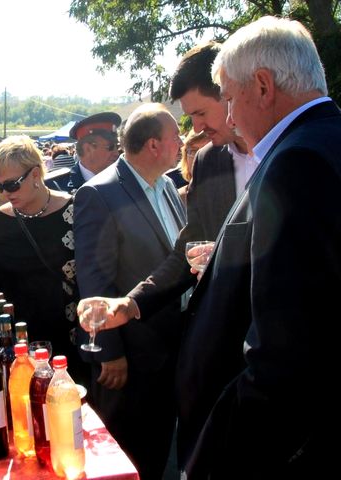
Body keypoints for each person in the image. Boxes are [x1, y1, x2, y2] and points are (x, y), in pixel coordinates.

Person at [96, 17, 341, 478]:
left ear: (264, 86)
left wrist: (215, 458)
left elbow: (287, 356)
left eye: (228, 99)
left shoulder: (298, 160)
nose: (227, 118)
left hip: (307, 440)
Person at [78, 41, 254, 471]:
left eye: (200, 114)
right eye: (186, 122)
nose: (195, 130)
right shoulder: (210, 161)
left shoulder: (295, 152)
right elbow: (182, 253)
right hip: (182, 352)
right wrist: (125, 314)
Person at [73, 103, 186, 479]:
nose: (182, 142)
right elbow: (94, 280)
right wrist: (110, 352)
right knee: (129, 455)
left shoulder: (166, 185)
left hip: (171, 346)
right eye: (175, 137)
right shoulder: (99, 193)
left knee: (158, 450)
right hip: (132, 356)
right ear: (153, 145)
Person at [0, 135, 85, 384]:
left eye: (12, 185)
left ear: (35, 174)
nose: (5, 193)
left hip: (69, 342)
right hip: (15, 346)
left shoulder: (76, 211)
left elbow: (99, 277)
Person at [46, 112, 122, 194]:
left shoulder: (124, 180)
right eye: (110, 147)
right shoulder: (55, 187)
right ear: (88, 149)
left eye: (117, 147)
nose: (116, 153)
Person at [176, 130, 211, 204]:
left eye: (207, 150)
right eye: (194, 151)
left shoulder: (233, 191)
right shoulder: (176, 199)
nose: (198, 156)